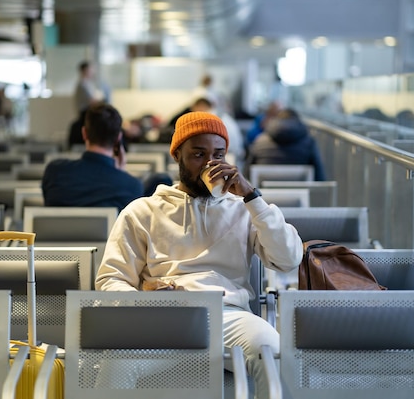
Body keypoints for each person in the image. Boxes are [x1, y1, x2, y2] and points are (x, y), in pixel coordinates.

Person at [95, 111, 303, 399]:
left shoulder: (244, 209)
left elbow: (289, 259)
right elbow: (110, 280)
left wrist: (252, 197)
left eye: (218, 154)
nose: (210, 164)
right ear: (177, 154)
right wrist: (141, 301)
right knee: (114, 364)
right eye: (198, 154)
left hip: (228, 316)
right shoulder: (142, 211)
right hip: (161, 318)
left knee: (274, 354)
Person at [42, 102, 143, 211]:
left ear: (84, 133)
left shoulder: (55, 171)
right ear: (118, 138)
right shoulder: (132, 186)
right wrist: (121, 175)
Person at [246, 108, 326, 181]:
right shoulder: (309, 142)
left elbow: (246, 174)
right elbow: (320, 177)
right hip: (300, 194)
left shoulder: (260, 140)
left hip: (263, 195)